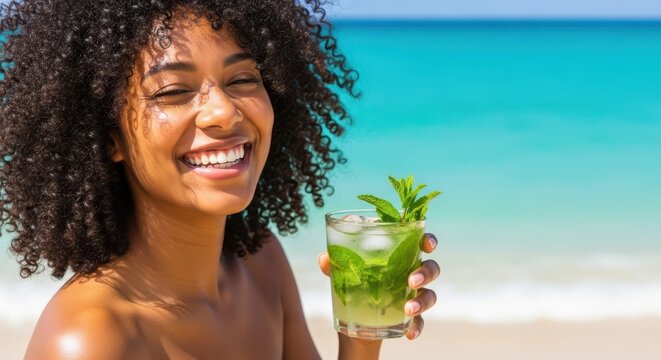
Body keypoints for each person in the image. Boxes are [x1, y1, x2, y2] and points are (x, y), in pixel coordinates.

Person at [0, 1, 441, 358]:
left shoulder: (262, 263)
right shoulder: (91, 342)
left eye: (243, 79)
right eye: (173, 91)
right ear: (108, 136)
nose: (224, 112)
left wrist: (363, 336)